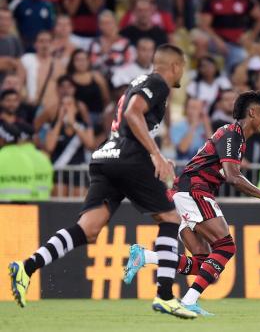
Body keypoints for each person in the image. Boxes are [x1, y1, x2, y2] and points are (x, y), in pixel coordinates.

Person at [9, 44, 198, 319]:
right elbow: (133, 113)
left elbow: (128, 116)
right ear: (175, 66)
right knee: (169, 219)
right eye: (183, 67)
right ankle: (166, 296)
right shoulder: (158, 82)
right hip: (130, 157)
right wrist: (155, 154)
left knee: (88, 230)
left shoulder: (139, 82)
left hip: (106, 156)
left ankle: (26, 267)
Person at [123, 90, 260, 315]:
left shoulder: (235, 137)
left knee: (203, 261)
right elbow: (233, 177)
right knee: (226, 246)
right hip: (194, 189)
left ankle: (145, 256)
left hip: (183, 192)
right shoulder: (232, 134)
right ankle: (189, 301)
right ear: (252, 112)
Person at [42, 94, 95, 197]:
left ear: (75, 108)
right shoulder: (53, 127)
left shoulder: (83, 126)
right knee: (59, 203)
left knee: (77, 204)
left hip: (77, 171)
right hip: (59, 170)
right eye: (63, 104)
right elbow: (49, 147)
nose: (66, 107)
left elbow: (90, 144)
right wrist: (59, 121)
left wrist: (73, 124)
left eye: (69, 104)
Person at [200, 0, 260, 72]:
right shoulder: (212, 0)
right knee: (200, 40)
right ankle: (200, 76)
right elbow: (204, 25)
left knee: (241, 55)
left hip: (237, 43)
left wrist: (251, 37)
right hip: (217, 42)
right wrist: (217, 40)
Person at [20, 31, 66, 110]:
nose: (45, 45)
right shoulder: (27, 60)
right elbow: (19, 84)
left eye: (48, 41)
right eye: (41, 41)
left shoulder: (59, 64)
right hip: (34, 106)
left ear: (52, 44)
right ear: (35, 44)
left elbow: (64, 87)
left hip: (54, 107)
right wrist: (26, 99)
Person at [67, 49, 110, 129]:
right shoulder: (69, 80)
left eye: (83, 59)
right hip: (78, 119)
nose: (81, 63)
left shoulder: (96, 77)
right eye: (78, 60)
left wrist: (105, 116)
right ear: (72, 62)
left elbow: (106, 97)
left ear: (88, 61)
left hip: (100, 116)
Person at [89, 10, 135, 79]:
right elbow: (92, 64)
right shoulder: (95, 43)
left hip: (120, 78)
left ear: (115, 23)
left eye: (108, 23)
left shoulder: (125, 43)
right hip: (100, 78)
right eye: (102, 23)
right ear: (99, 26)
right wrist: (104, 53)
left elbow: (130, 63)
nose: (106, 26)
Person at [0, 8, 24, 83]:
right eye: (1, 18)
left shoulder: (15, 40)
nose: (4, 22)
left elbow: (20, 66)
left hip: (9, 88)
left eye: (7, 19)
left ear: (11, 21)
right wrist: (11, 62)